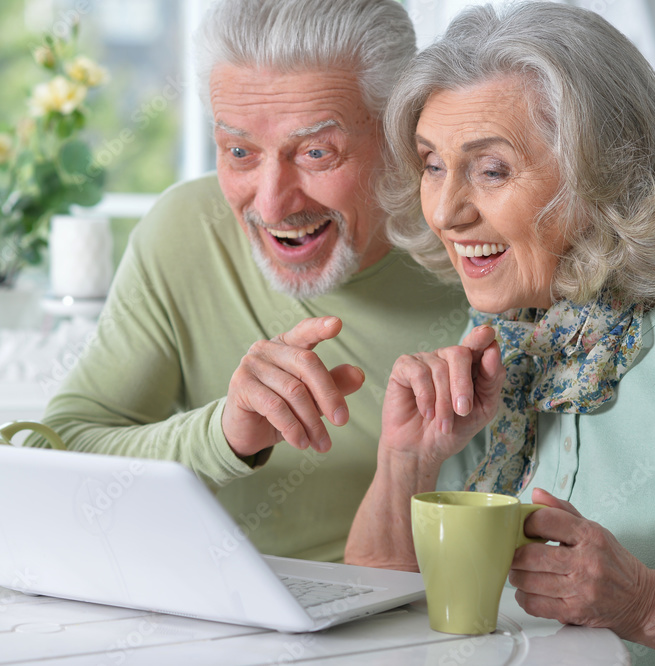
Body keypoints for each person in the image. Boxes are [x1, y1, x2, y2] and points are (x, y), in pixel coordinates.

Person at [26, 0, 467, 563]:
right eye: (239, 152)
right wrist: (223, 434)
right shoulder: (187, 231)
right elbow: (53, 453)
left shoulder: (475, 255)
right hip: (210, 605)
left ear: (398, 133)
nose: (272, 204)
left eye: (315, 152)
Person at [343, 3, 655, 663]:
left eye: (492, 170)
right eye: (433, 165)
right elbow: (367, 611)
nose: (447, 212)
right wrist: (407, 461)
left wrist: (647, 604)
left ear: (606, 170)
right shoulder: (504, 335)